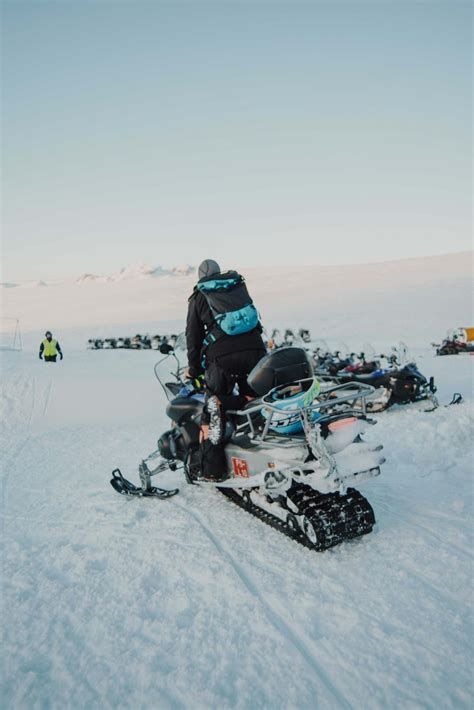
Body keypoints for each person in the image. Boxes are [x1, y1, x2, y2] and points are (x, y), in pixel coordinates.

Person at [186, 259, 266, 480]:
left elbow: (193, 337)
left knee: (214, 407)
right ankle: (262, 450)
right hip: (255, 350)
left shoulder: (199, 295)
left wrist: (194, 370)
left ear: (200, 275)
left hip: (222, 357)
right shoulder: (236, 286)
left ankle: (212, 470)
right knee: (255, 399)